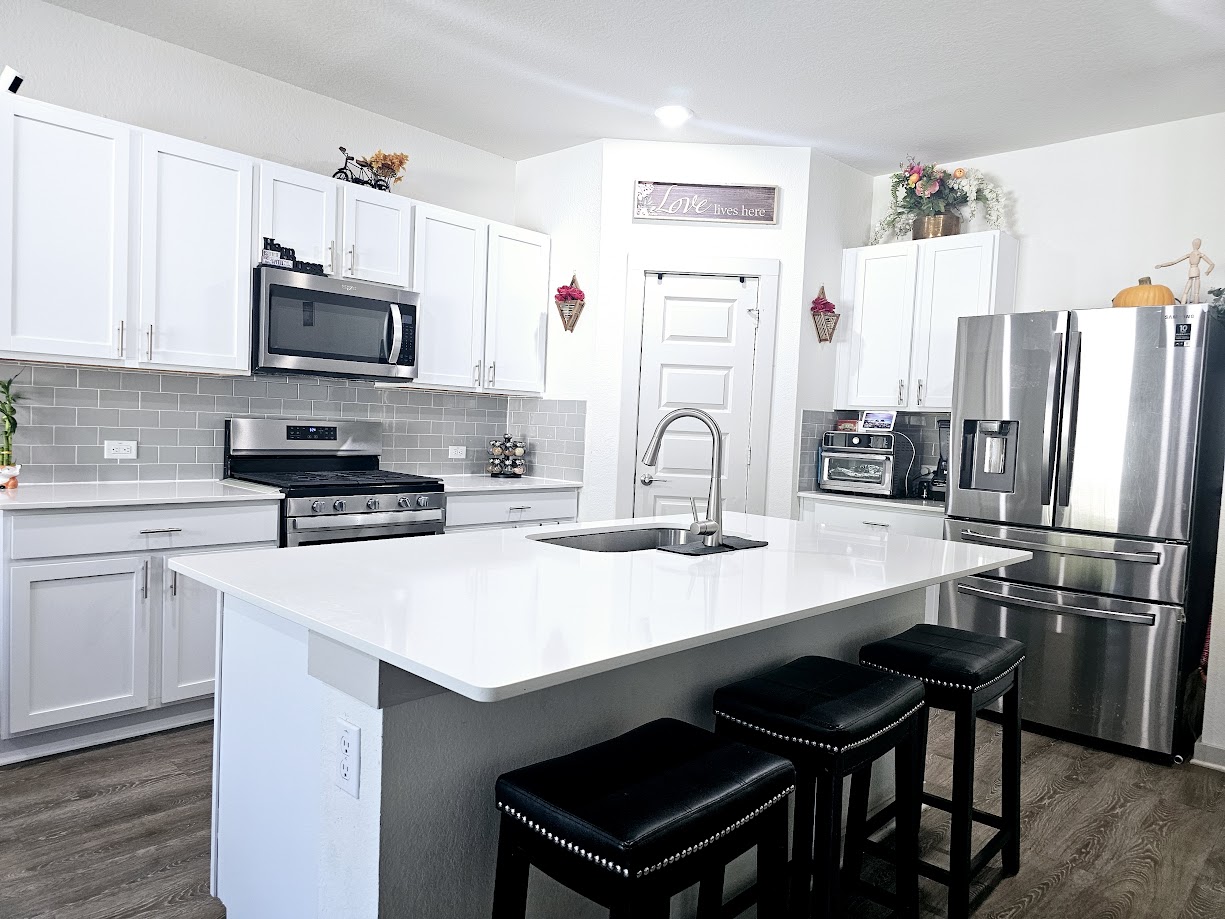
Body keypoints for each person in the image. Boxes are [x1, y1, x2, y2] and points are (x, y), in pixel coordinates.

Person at [1156, 238, 1215, 304]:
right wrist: (1208, 271)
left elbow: (1174, 262)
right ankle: (1194, 304)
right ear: (1199, 245)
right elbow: (1212, 264)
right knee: (1196, 292)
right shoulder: (1200, 254)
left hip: (1191, 270)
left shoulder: (1189, 255)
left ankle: (1182, 304)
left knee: (1186, 291)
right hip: (1196, 270)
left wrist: (1161, 265)